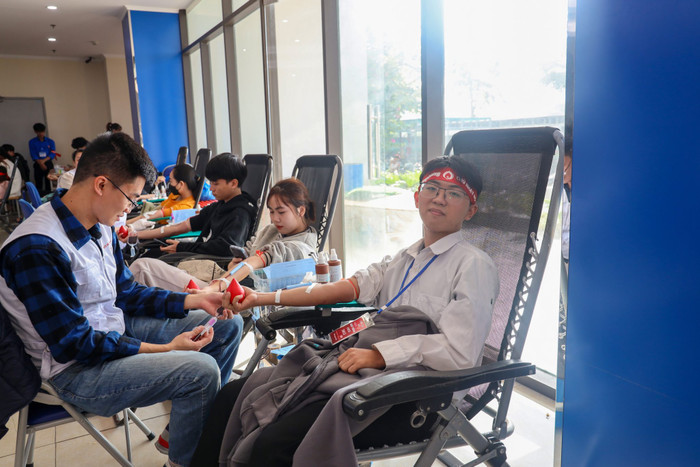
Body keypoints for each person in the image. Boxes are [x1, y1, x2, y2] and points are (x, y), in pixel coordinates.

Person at [190, 155, 500, 466]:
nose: (440, 198)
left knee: (275, 439)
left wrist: (381, 355)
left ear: (470, 210)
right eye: (432, 188)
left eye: (454, 193)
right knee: (233, 395)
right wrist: (260, 297)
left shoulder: (472, 265)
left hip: (417, 397)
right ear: (418, 197)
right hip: (361, 372)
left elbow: (459, 353)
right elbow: (342, 288)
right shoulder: (403, 259)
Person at [0, 132, 244, 467]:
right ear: (101, 185)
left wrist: (196, 301)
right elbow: (75, 345)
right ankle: (184, 457)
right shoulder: (38, 247)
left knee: (229, 326)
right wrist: (166, 349)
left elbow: (126, 293)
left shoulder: (100, 225)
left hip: (110, 332)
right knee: (199, 371)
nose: (130, 208)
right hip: (75, 371)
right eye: (131, 198)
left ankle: (185, 431)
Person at [129, 178, 318, 292]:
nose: (275, 218)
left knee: (142, 268)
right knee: (144, 267)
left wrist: (216, 286)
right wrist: (234, 264)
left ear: (301, 210)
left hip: (225, 293)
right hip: (222, 281)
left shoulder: (300, 249)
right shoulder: (271, 230)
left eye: (281, 212)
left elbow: (256, 260)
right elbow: (246, 253)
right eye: (271, 211)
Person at [134, 153, 257, 259]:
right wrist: (136, 234)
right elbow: (182, 226)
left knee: (147, 263)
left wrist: (182, 247)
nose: (211, 189)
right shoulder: (219, 206)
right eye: (211, 183)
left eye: (215, 184)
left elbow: (226, 248)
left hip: (210, 264)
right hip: (198, 256)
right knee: (150, 256)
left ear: (233, 183)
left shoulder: (240, 213)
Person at [127, 164, 198, 229]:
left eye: (171, 181)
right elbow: (160, 207)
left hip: (159, 228)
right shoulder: (175, 195)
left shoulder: (185, 207)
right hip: (152, 221)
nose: (169, 184)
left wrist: (125, 224)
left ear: (181, 184)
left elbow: (154, 215)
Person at [28, 122, 57, 195]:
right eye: (39, 132)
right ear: (35, 132)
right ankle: (40, 198)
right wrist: (41, 163)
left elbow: (53, 153)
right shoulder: (32, 142)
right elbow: (33, 154)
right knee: (38, 183)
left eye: (42, 132)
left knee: (49, 182)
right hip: (38, 163)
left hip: (48, 163)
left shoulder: (50, 141)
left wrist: (43, 161)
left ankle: (49, 197)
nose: (41, 134)